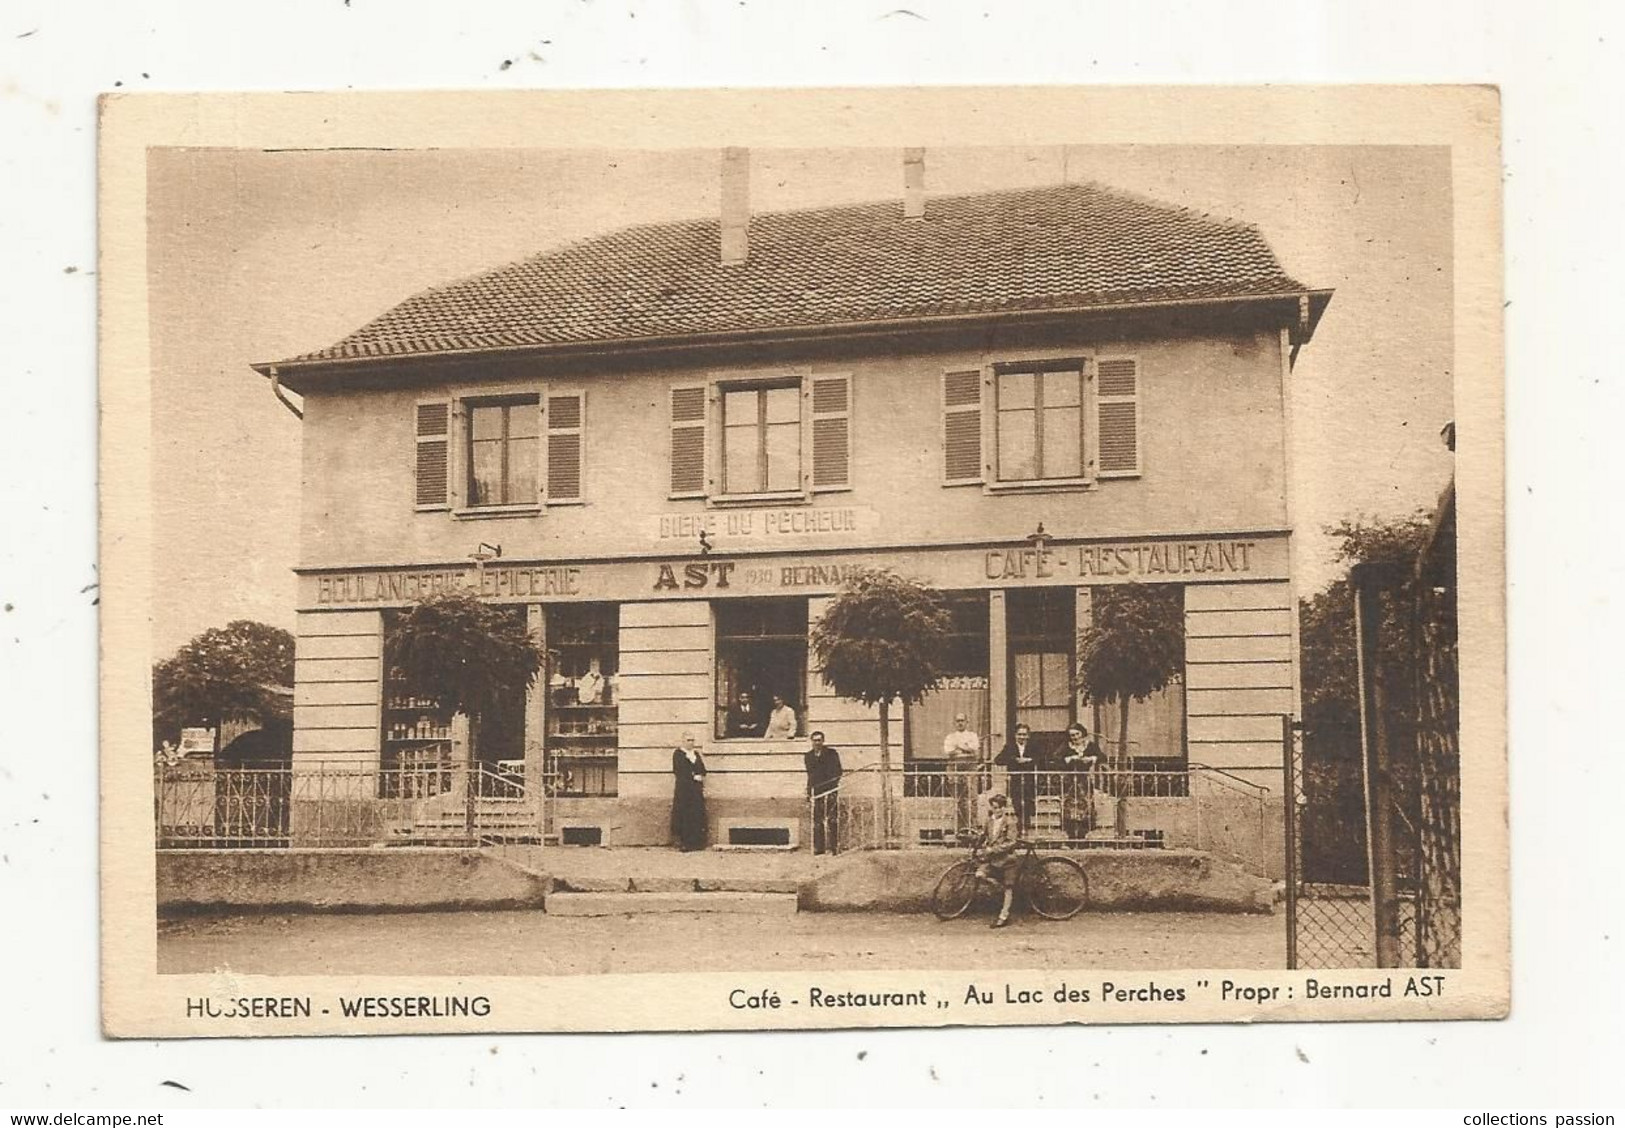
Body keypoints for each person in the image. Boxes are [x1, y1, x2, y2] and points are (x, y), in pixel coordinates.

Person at [974, 791, 1021, 928]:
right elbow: (983, 835)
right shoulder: (989, 821)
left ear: (1004, 808)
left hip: (1007, 859)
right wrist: (977, 843)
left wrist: (993, 849)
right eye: (994, 807)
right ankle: (997, 886)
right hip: (992, 859)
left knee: (1009, 887)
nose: (997, 810)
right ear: (991, 808)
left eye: (1000, 807)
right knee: (979, 874)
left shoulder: (1010, 822)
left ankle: (1003, 915)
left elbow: (1012, 842)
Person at [1059, 722, 1105, 842]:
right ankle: (1071, 838)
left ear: (1082, 733)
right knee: (1070, 809)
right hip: (1069, 782)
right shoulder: (1066, 746)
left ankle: (1082, 837)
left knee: (1085, 808)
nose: (1075, 737)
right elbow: (1055, 758)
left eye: (1077, 734)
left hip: (1084, 781)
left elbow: (1102, 757)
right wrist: (1069, 759)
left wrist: (1091, 758)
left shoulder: (1090, 746)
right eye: (1072, 735)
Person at [993, 723, 1044, 833]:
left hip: (1029, 779)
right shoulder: (1010, 747)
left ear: (1028, 736)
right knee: (1017, 802)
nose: (1022, 737)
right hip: (1015, 779)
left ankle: (1026, 824)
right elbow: (998, 760)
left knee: (1028, 801)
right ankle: (1021, 825)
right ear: (1015, 735)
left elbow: (1041, 759)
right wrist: (1014, 759)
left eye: (1024, 734)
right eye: (1019, 734)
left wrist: (1029, 760)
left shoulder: (1033, 746)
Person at [941, 711, 983, 839]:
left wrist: (959, 747)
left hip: (970, 767)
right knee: (959, 799)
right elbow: (948, 751)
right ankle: (960, 829)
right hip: (955, 768)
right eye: (958, 721)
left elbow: (975, 750)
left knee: (972, 797)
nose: (960, 723)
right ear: (955, 723)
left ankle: (973, 827)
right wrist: (965, 748)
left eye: (962, 720)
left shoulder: (972, 735)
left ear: (966, 722)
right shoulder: (950, 737)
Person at [803, 730, 842, 855]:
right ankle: (819, 848)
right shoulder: (808, 756)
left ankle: (834, 847)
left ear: (823, 741)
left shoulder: (831, 753)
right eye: (815, 740)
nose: (817, 743)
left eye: (819, 740)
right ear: (811, 742)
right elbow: (810, 775)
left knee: (832, 819)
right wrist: (809, 792)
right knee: (817, 820)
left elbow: (838, 771)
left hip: (830, 789)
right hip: (817, 791)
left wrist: (832, 787)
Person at [670, 732, 709, 851]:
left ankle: (696, 842)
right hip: (684, 790)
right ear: (683, 741)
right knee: (684, 814)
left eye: (692, 740)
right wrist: (693, 776)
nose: (691, 743)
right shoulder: (678, 754)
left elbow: (702, 769)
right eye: (688, 740)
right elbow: (679, 771)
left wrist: (699, 775)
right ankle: (685, 843)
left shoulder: (695, 754)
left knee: (696, 814)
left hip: (696, 790)